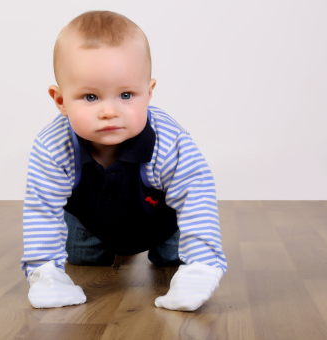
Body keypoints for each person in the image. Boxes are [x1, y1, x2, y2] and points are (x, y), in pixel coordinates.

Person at [21, 10, 227, 312]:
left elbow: (197, 196)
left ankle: (172, 254)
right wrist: (43, 273)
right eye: (91, 97)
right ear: (61, 100)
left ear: (148, 93)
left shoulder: (168, 142)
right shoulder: (52, 147)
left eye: (126, 95)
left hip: (160, 221)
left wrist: (203, 264)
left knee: (172, 258)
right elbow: (42, 209)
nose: (109, 111)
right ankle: (101, 248)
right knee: (83, 259)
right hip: (92, 222)